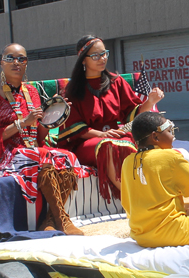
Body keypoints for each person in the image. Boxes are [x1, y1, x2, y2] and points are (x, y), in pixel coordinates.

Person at [0, 43, 84, 235]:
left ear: (26, 64)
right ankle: (61, 218)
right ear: (2, 63)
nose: (16, 62)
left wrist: (54, 115)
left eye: (22, 59)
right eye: (10, 58)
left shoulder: (32, 92)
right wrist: (23, 122)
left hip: (31, 150)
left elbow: (38, 136)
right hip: (3, 155)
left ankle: (50, 219)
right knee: (43, 156)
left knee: (67, 156)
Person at [58, 35, 164, 202]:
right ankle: (136, 199)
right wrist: (101, 135)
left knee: (150, 138)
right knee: (109, 147)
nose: (102, 58)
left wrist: (150, 102)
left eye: (104, 53)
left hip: (117, 134)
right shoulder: (71, 91)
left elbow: (134, 114)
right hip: (90, 141)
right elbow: (75, 128)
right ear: (83, 60)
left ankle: (158, 189)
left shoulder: (116, 82)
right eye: (96, 55)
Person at [121, 112, 189, 248]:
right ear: (155, 136)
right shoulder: (170, 156)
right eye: (169, 131)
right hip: (172, 229)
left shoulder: (127, 162)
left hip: (141, 235)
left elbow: (126, 204)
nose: (173, 136)